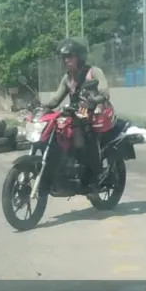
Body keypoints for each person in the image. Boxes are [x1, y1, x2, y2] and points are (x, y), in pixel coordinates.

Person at [43, 38, 112, 192]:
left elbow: (105, 92)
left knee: (82, 132)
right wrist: (41, 106)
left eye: (70, 56)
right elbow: (56, 99)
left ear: (79, 56)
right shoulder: (67, 78)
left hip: (96, 112)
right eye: (64, 57)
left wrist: (93, 101)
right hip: (77, 112)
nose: (66, 60)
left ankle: (94, 175)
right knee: (59, 129)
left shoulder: (93, 72)